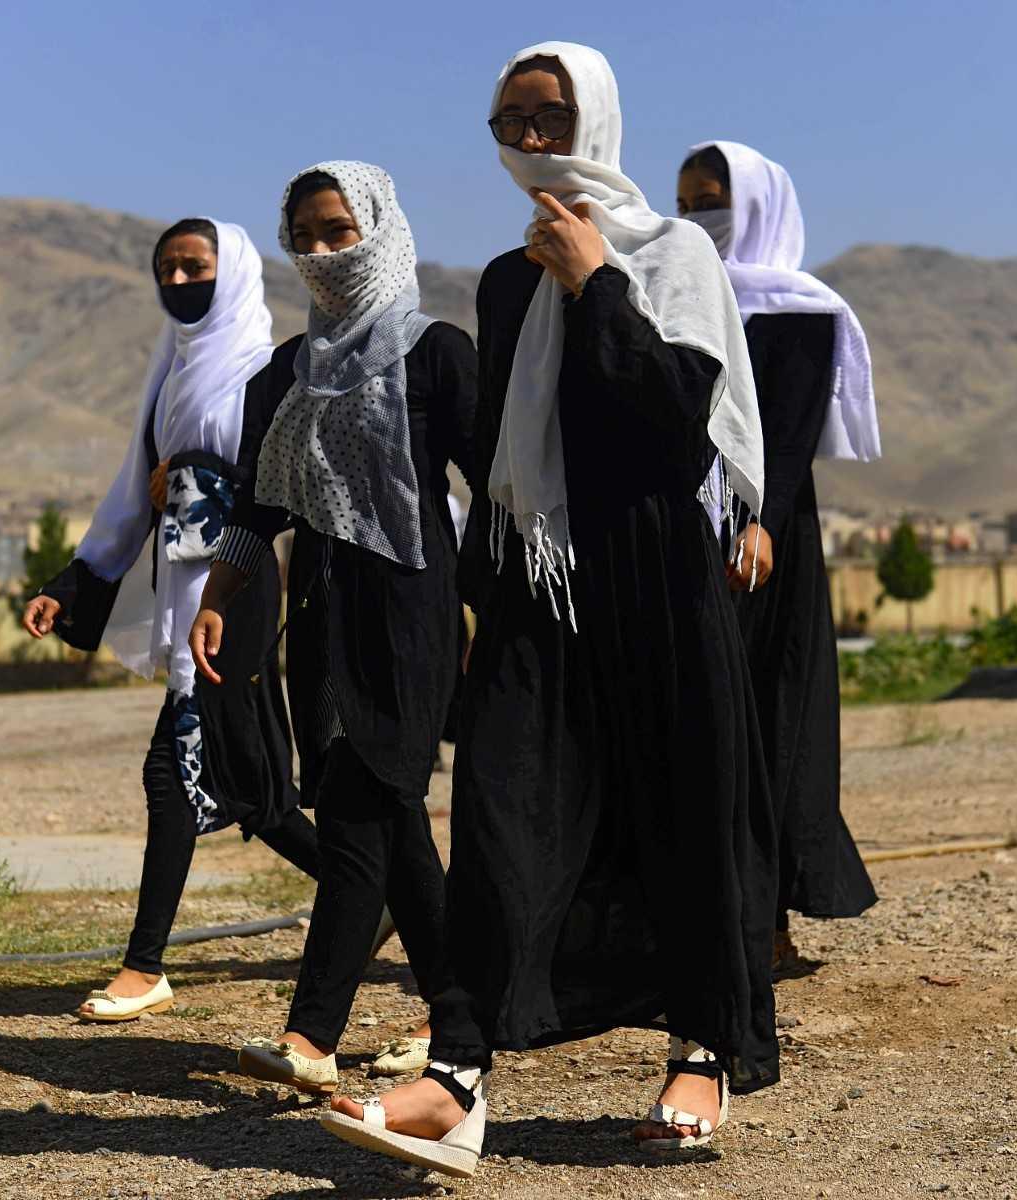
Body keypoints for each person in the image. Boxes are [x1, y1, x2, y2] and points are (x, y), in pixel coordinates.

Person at [321, 44, 777, 1176]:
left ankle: (703, 1048)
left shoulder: (671, 254)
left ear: (597, 121)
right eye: (511, 122)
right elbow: (500, 454)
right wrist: (478, 594)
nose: (531, 141)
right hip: (540, 581)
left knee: (681, 810)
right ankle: (458, 1076)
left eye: (551, 118)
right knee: (499, 813)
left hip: (656, 577)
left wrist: (596, 281)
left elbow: (676, 419)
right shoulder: (505, 278)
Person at [191, 163, 475, 1095]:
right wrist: (218, 596)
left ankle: (311, 1035)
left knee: (360, 813)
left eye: (337, 230)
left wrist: (508, 608)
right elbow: (257, 505)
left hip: (410, 616)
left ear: (379, 229)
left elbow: (497, 488)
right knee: (389, 818)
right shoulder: (287, 372)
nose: (320, 251)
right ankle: (462, 1018)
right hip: (318, 617)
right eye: (303, 235)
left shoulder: (436, 353)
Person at [21, 217, 322, 1023]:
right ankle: (373, 892)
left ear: (234, 273)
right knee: (249, 785)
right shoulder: (172, 372)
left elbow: (287, 487)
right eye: (168, 269)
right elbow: (133, 489)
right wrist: (72, 585)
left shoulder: (270, 371)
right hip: (183, 594)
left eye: (196, 267)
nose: (181, 282)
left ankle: (144, 965)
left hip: (239, 591)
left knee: (178, 773)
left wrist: (194, 475)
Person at [676, 140, 879, 969]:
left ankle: (766, 922)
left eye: (711, 200)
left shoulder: (798, 310)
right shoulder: (675, 295)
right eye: (685, 205)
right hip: (686, 526)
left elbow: (789, 435)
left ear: (757, 205)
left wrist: (760, 521)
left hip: (765, 534)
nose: (697, 218)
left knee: (766, 718)